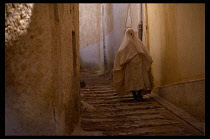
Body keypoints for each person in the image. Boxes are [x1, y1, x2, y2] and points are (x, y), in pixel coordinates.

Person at [113, 28, 154, 102]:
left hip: (135, 66)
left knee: (136, 80)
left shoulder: (129, 44)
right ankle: (137, 95)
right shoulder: (135, 43)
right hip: (134, 65)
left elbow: (121, 53)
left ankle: (137, 96)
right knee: (136, 80)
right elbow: (143, 51)